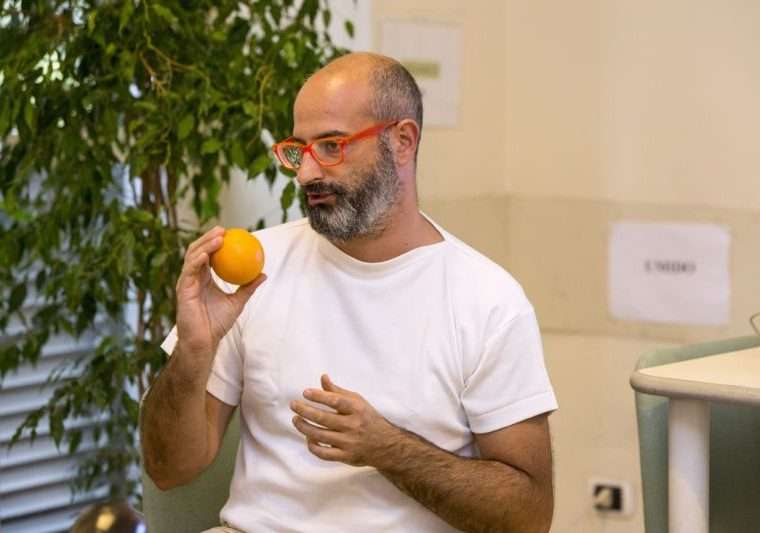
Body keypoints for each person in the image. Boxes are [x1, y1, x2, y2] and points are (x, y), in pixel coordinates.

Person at [141, 52, 558, 533]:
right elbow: (167, 470)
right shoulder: (255, 270)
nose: (306, 174)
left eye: (331, 146)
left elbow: (528, 515)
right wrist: (193, 352)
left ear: (402, 141)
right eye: (298, 150)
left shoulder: (487, 301)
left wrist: (387, 448)